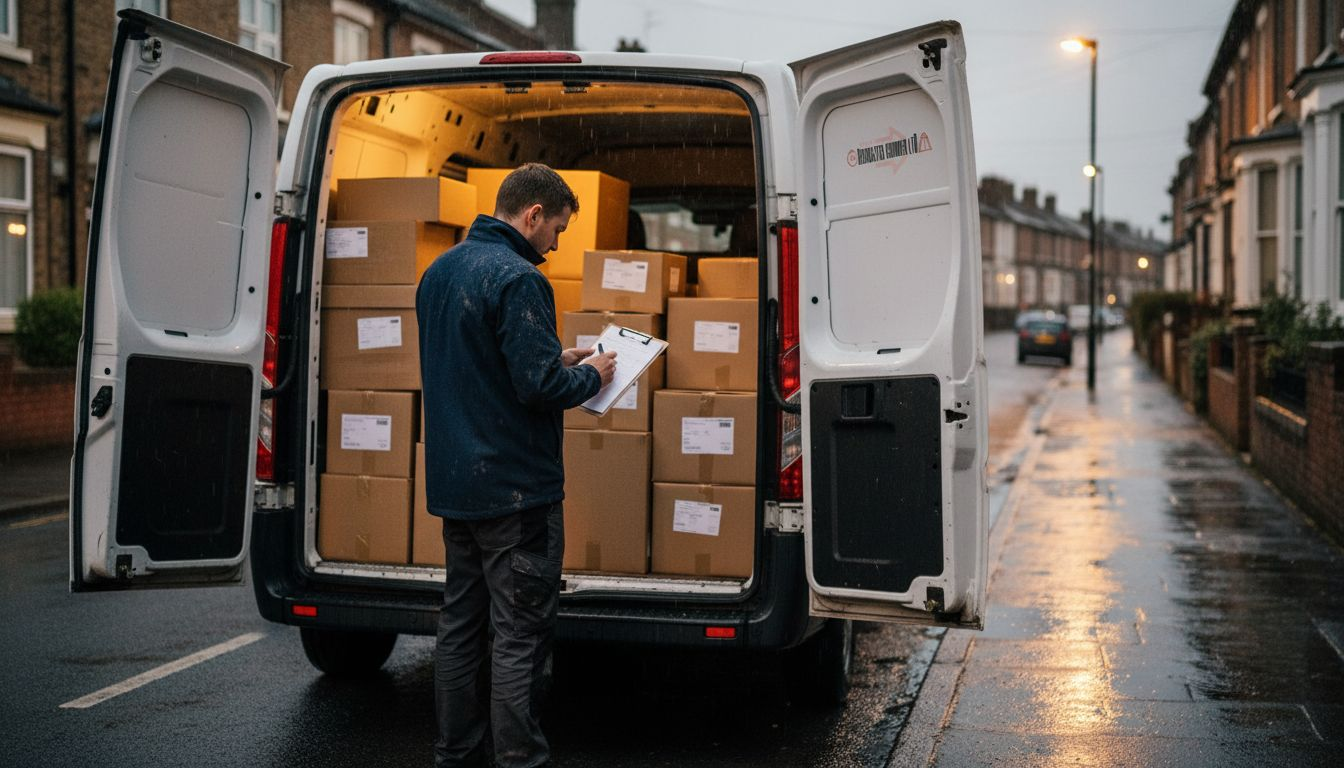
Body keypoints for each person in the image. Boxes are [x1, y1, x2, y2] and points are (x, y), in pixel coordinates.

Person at [416, 163, 617, 768]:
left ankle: (456, 754)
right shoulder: (519, 278)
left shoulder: (439, 272)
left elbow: (482, 364)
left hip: (457, 487)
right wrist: (590, 374)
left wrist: (554, 355)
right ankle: (519, 759)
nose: (555, 245)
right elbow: (536, 389)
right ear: (532, 215)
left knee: (458, 627)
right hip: (516, 493)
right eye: (556, 230)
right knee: (519, 635)